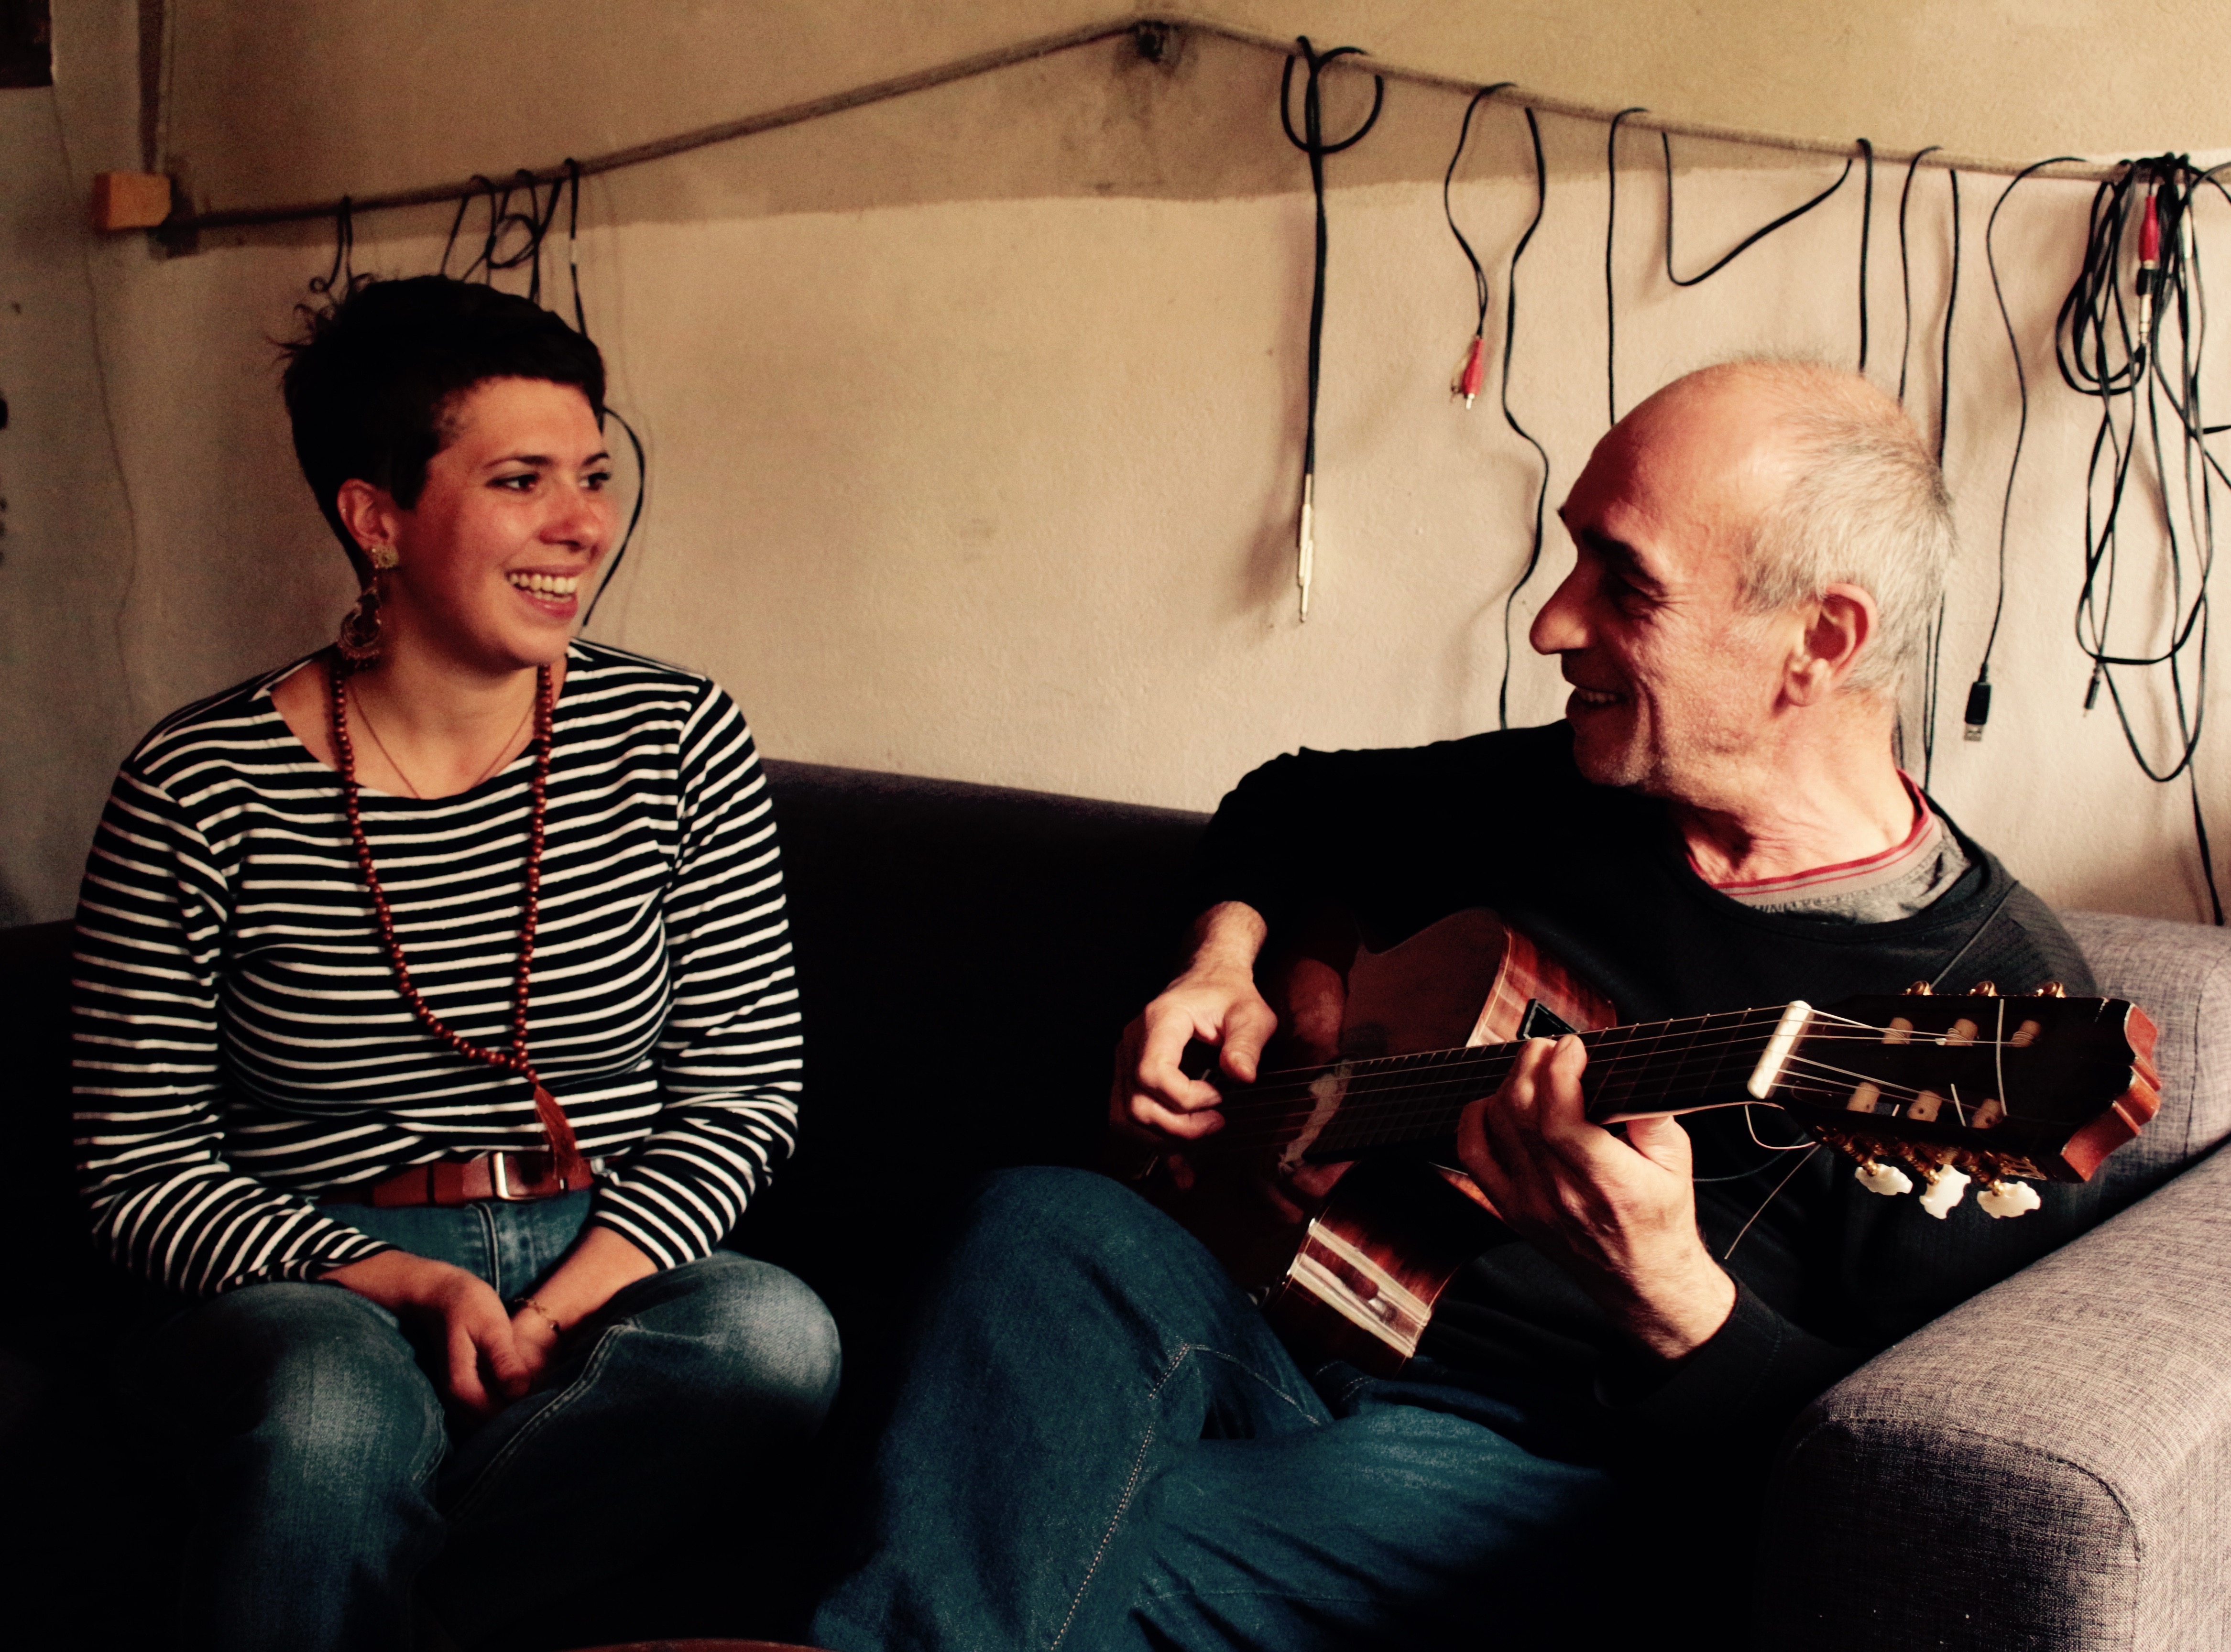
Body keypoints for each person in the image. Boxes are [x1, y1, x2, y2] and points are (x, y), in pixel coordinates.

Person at [804, 359, 2113, 1652]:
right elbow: (1295, 799)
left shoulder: (1990, 1023)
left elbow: (1891, 1485)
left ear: (1819, 642)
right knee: (1045, 1216)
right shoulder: (1576, 787)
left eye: (1624, 581)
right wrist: (1225, 960)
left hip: (1547, 1476)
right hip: (1295, 1327)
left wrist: (1668, 1293)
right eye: (1571, 560)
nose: (1550, 623)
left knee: (1038, 1522)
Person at [71, 275, 840, 1652]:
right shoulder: (202, 782)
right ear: (377, 516)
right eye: (522, 479)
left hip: (604, 1251)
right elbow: (139, 1171)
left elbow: (745, 1092)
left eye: (595, 476)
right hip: (311, 1277)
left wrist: (563, 1302)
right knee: (329, 1409)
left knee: (773, 1341)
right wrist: (413, 1285)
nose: (583, 525)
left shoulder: (676, 735)